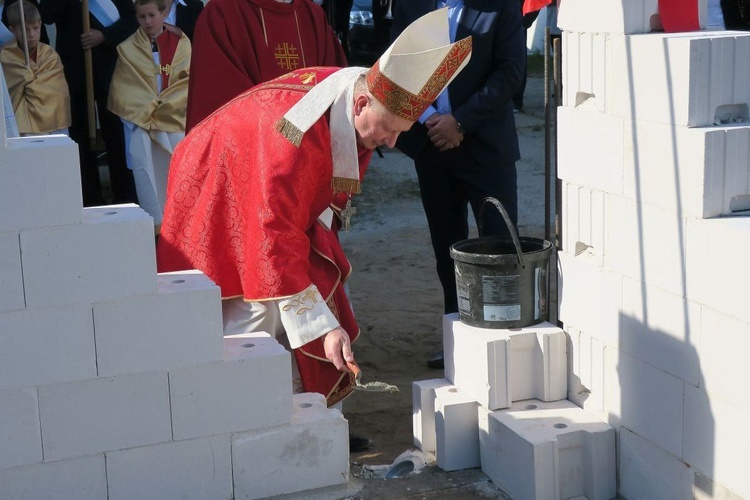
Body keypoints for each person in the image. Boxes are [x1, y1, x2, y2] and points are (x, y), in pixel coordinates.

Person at [156, 8, 471, 444]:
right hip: (217, 186)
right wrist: (321, 326)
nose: (392, 143)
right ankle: (248, 432)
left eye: (401, 132)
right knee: (253, 316)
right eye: (389, 130)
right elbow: (272, 236)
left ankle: (313, 423)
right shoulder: (293, 136)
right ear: (362, 103)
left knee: (313, 290)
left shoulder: (358, 106)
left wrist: (318, 313)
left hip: (267, 194)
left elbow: (317, 202)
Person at [391, 0, 526, 370]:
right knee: (446, 250)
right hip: (432, 147)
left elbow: (510, 72)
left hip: (486, 149)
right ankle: (458, 341)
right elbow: (396, 69)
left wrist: (460, 122)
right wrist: (433, 119)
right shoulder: (410, 5)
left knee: (498, 249)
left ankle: (502, 343)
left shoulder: (500, 6)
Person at [184, 0, 348, 132]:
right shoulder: (222, 13)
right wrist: (289, 132)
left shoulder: (314, 16)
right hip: (253, 158)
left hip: (312, 156)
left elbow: (338, 88)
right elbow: (220, 101)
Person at [39, 0, 138, 206]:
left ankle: (124, 196)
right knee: (80, 138)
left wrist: (104, 36)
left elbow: (132, 18)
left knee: (116, 136)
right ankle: (89, 198)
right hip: (75, 69)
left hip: (109, 69)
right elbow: (46, 15)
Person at [107, 0, 190, 234]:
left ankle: (182, 225)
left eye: (152, 15)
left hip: (173, 120)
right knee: (148, 175)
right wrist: (149, 112)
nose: (147, 22)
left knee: (177, 174)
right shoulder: (127, 48)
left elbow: (186, 82)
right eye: (141, 17)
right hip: (142, 124)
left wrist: (162, 108)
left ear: (164, 13)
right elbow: (126, 89)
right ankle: (155, 228)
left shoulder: (182, 44)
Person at [1, 0, 71, 136]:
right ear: (12, 30)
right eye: (25, 29)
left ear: (40, 25)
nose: (32, 34)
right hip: (20, 125)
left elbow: (56, 92)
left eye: (35, 28)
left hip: (52, 124)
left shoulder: (50, 55)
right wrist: (25, 77)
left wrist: (27, 78)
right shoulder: (5, 57)